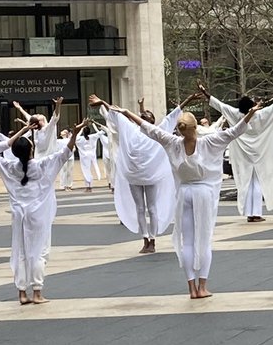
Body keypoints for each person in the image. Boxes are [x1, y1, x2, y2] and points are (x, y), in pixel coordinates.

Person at [109, 101, 257, 299]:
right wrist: (250, 114)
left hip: (184, 193)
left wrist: (127, 112)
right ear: (196, 127)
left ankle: (191, 288)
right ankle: (202, 286)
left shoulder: (172, 142)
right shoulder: (209, 142)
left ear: (180, 129)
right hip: (203, 192)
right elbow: (235, 131)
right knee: (203, 240)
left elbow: (150, 129)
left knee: (187, 242)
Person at [0, 119, 84, 304]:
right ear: (31, 150)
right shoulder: (43, 165)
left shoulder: (9, 167)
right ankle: (37, 292)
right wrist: (74, 134)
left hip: (19, 216)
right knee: (39, 252)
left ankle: (22, 292)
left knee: (20, 252)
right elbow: (65, 152)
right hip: (39, 217)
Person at [89, 95, 175, 253]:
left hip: (148, 175)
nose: (144, 116)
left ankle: (152, 240)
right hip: (136, 174)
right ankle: (146, 238)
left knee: (150, 208)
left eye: (147, 115)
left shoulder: (155, 131)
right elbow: (118, 114)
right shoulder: (133, 129)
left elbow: (171, 117)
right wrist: (103, 102)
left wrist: (188, 101)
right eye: (143, 115)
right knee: (142, 208)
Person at [207, 84, 273, 223]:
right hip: (260, 153)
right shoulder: (262, 114)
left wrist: (205, 93)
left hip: (243, 155)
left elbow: (220, 105)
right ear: (252, 106)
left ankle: (249, 213)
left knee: (246, 183)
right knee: (257, 183)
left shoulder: (236, 114)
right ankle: (256, 213)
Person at [76, 122, 100, 191]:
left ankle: (88, 186)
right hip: (91, 154)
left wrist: (81, 129)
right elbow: (100, 133)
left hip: (84, 155)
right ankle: (90, 185)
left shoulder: (81, 139)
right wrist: (94, 125)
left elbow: (76, 137)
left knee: (86, 170)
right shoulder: (92, 137)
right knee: (90, 169)